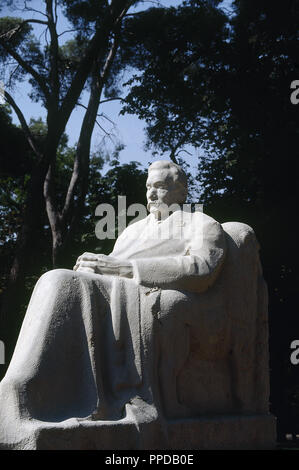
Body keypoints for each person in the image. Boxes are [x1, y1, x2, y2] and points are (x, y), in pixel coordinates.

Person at [0, 161, 272, 450]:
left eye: (161, 187)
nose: (152, 194)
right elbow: (111, 266)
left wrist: (125, 269)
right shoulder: (132, 231)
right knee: (58, 280)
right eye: (149, 188)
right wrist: (94, 267)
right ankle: (24, 387)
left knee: (73, 283)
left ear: (181, 192)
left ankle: (102, 399)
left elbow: (201, 269)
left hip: (158, 298)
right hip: (117, 292)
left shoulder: (200, 224)